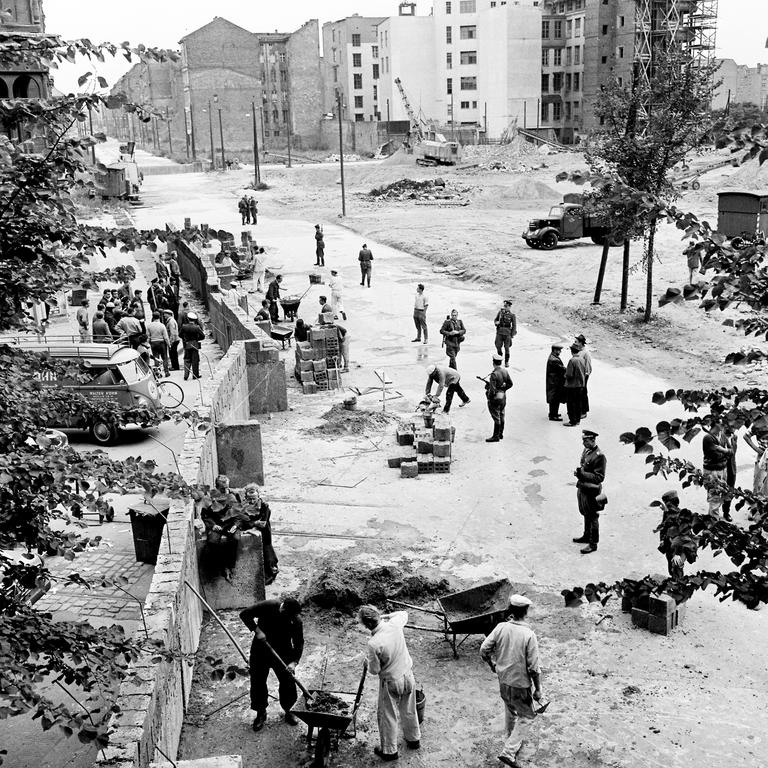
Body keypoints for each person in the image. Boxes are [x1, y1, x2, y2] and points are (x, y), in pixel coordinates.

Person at [480, 594, 542, 768]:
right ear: (526, 612)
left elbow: (484, 649)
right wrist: (538, 690)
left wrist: (492, 664)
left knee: (510, 709)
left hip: (503, 681)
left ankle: (510, 741)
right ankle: (508, 752)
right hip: (520, 685)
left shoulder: (501, 627)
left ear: (511, 611)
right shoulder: (529, 635)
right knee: (527, 716)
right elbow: (534, 668)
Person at [358, 605, 421, 761]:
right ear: (378, 616)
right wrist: (385, 616)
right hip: (408, 675)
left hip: (391, 682)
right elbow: (403, 613)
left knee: (388, 715)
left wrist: (367, 662)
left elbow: (374, 670)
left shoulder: (373, 643)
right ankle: (414, 739)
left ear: (367, 625)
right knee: (408, 708)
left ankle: (389, 751)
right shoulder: (395, 624)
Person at [240, 598, 304, 732]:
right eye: (287, 615)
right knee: (258, 681)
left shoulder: (295, 620)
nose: (290, 618)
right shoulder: (268, 606)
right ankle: (260, 712)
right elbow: (244, 614)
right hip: (261, 649)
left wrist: (294, 662)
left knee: (288, 681)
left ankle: (289, 710)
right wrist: (257, 630)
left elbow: (299, 642)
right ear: (283, 608)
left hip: (283, 652)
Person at [572, 429, 607, 554]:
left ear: (593, 440)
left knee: (593, 516)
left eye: (586, 440)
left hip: (592, 490)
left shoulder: (599, 456)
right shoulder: (587, 451)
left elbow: (599, 477)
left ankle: (593, 543)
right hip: (583, 488)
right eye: (583, 440)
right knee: (586, 513)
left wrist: (583, 474)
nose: (583, 443)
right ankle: (586, 535)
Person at [242, 484, 279, 585]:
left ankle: (270, 573)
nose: (252, 501)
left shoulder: (264, 506)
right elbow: (242, 520)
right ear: (246, 498)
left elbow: (263, 523)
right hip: (252, 533)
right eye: (250, 499)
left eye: (254, 499)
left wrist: (252, 524)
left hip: (264, 533)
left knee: (268, 553)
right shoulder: (244, 506)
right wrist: (253, 523)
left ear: (258, 496)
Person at [657, 490, 698, 579]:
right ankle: (674, 581)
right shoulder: (667, 513)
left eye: (667, 503)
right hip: (670, 545)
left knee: (676, 565)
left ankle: (678, 587)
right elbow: (663, 526)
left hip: (682, 547)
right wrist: (662, 539)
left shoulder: (681, 516)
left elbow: (684, 537)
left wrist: (678, 554)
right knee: (671, 568)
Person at [701, 419, 732, 516]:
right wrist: (726, 452)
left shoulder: (722, 435)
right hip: (712, 470)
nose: (724, 425)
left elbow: (731, 450)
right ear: (715, 424)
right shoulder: (707, 438)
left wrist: (726, 452)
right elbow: (716, 455)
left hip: (722, 469)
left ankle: (712, 518)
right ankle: (713, 520)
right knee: (714, 497)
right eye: (721, 423)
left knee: (720, 494)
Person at [485, 352, 513, 442]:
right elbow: (510, 384)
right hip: (503, 397)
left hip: (496, 398)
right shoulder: (505, 371)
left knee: (496, 416)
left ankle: (495, 436)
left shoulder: (494, 374)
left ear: (493, 362)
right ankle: (500, 434)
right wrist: (503, 389)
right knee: (502, 415)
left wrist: (489, 397)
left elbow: (492, 390)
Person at [563, 344, 586, 427]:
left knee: (571, 404)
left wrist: (564, 376)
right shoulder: (582, 360)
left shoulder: (572, 360)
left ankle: (572, 421)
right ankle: (577, 420)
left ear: (571, 351)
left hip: (572, 386)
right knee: (578, 403)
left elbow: (569, 374)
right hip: (580, 385)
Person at [180, 311, 205, 380]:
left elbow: (180, 335)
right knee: (195, 361)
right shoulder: (197, 327)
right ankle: (195, 375)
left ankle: (186, 375)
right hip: (195, 345)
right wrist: (196, 339)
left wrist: (185, 339)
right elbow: (203, 336)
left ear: (188, 319)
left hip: (187, 345)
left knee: (187, 360)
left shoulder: (184, 327)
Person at [721, 424, 738, 522]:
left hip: (731, 466)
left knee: (729, 489)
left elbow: (734, 452)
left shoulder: (734, 437)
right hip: (719, 466)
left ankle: (726, 512)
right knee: (716, 489)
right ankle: (713, 513)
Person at [494, 299, 517, 368]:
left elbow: (514, 326)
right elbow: (495, 320)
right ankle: (500, 359)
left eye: (507, 306)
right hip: (499, 332)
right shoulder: (500, 313)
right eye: (504, 306)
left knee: (507, 348)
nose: (505, 307)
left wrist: (512, 335)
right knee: (498, 346)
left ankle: (506, 361)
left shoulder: (512, 315)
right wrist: (496, 322)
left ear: (509, 307)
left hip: (507, 334)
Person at [546, 342, 566, 421]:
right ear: (554, 350)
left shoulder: (553, 357)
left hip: (553, 381)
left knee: (553, 399)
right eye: (559, 350)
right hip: (555, 382)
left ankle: (553, 413)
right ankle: (553, 415)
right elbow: (562, 369)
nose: (560, 352)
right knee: (555, 399)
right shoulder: (554, 359)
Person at [147, 311, 171, 376]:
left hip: (153, 343)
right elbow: (166, 337)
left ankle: (157, 372)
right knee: (164, 358)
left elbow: (148, 337)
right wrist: (169, 344)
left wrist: (148, 344)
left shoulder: (149, 326)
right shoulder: (162, 326)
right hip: (161, 343)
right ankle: (166, 372)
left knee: (156, 358)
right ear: (159, 317)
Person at [575, 334, 592, 420]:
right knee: (579, 392)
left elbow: (588, 365)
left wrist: (585, 375)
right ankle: (579, 410)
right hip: (579, 375)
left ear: (581, 343)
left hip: (584, 375)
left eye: (576, 342)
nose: (575, 343)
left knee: (583, 392)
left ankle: (584, 411)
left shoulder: (586, 353)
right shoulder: (579, 351)